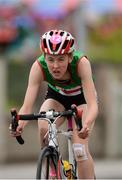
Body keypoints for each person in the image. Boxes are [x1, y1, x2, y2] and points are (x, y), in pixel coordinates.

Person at [10, 29, 98, 179]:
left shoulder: (82, 63)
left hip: (82, 101)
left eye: (61, 59)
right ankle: (51, 167)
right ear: (44, 56)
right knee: (44, 124)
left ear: (70, 57)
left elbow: (93, 105)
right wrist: (20, 124)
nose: (55, 66)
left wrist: (87, 124)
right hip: (57, 97)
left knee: (79, 150)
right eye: (50, 59)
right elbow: (26, 106)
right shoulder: (38, 67)